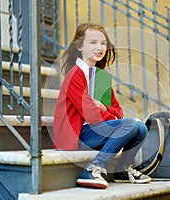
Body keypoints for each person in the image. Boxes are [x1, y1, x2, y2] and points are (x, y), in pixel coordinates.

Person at [53, 23, 151, 189]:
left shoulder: (100, 77)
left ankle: (122, 170)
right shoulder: (74, 75)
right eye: (93, 43)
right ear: (79, 46)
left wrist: (105, 109)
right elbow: (91, 115)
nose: (99, 48)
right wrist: (107, 114)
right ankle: (92, 169)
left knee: (141, 128)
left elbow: (117, 111)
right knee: (130, 124)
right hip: (79, 134)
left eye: (103, 43)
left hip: (97, 131)